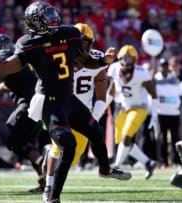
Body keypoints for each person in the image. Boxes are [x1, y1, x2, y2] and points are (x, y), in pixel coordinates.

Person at [0, 2, 131, 202]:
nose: (54, 18)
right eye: (48, 16)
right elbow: (2, 69)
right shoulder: (29, 43)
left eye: (53, 14)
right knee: (68, 146)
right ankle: (52, 196)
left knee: (94, 131)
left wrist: (103, 61)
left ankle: (105, 169)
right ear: (36, 23)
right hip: (49, 101)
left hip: (68, 97)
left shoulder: (69, 33)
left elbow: (85, 59)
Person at [0, 33, 49, 192]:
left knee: (14, 139)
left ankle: (44, 163)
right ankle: (44, 181)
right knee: (27, 145)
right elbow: (3, 86)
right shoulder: (18, 60)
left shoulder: (5, 56)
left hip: (29, 103)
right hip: (37, 104)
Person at [42, 23, 108, 201]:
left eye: (86, 43)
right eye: (81, 42)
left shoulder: (96, 58)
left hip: (82, 111)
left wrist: (94, 117)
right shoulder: (59, 55)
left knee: (73, 158)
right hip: (60, 105)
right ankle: (48, 185)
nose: (83, 47)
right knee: (59, 149)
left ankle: (51, 176)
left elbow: (102, 95)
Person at [106, 45, 158, 179]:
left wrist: (155, 115)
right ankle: (148, 162)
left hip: (139, 107)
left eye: (129, 59)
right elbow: (111, 91)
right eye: (124, 59)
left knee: (126, 136)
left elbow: (153, 94)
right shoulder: (114, 68)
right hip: (123, 107)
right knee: (122, 141)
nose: (126, 63)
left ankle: (116, 167)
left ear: (135, 61)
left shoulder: (141, 72)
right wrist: (101, 108)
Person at [154, 58, 182, 167]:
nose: (164, 68)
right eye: (162, 66)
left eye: (165, 66)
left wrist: (166, 100)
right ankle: (163, 162)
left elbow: (178, 97)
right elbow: (155, 97)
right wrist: (168, 100)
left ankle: (177, 161)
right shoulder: (155, 79)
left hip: (174, 113)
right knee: (162, 139)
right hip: (161, 113)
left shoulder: (174, 79)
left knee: (176, 138)